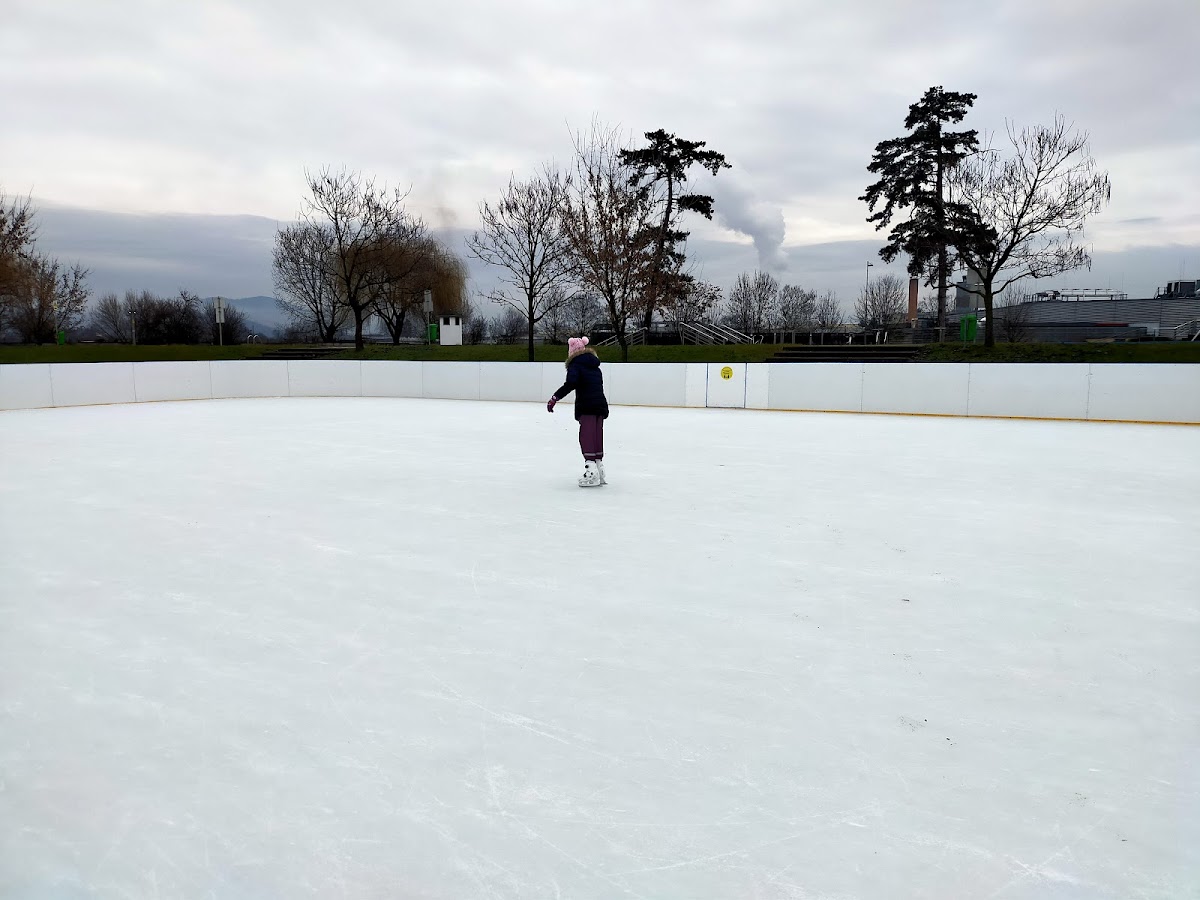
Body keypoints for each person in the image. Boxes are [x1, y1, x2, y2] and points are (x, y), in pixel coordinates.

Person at [547, 336, 609, 487]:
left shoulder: (575, 365)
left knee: (586, 437)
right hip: (600, 405)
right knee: (596, 436)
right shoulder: (595, 367)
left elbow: (570, 384)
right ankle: (599, 470)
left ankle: (591, 472)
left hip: (587, 406)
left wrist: (555, 397)